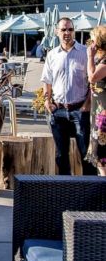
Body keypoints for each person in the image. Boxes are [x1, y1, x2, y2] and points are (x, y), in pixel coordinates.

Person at [41, 17, 95, 175]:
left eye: (70, 29)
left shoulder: (85, 54)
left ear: (74, 31)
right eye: (63, 29)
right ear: (57, 32)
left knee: (86, 154)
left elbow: (93, 81)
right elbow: (47, 80)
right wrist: (47, 101)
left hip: (80, 110)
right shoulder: (52, 55)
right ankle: (65, 190)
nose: (67, 33)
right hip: (58, 111)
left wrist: (87, 103)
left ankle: (90, 192)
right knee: (61, 155)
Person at [85, 25, 106, 176]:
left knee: (102, 155)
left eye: (92, 39)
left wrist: (90, 57)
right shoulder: (102, 59)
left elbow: (92, 77)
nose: (90, 43)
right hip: (98, 112)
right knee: (100, 155)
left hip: (103, 115)